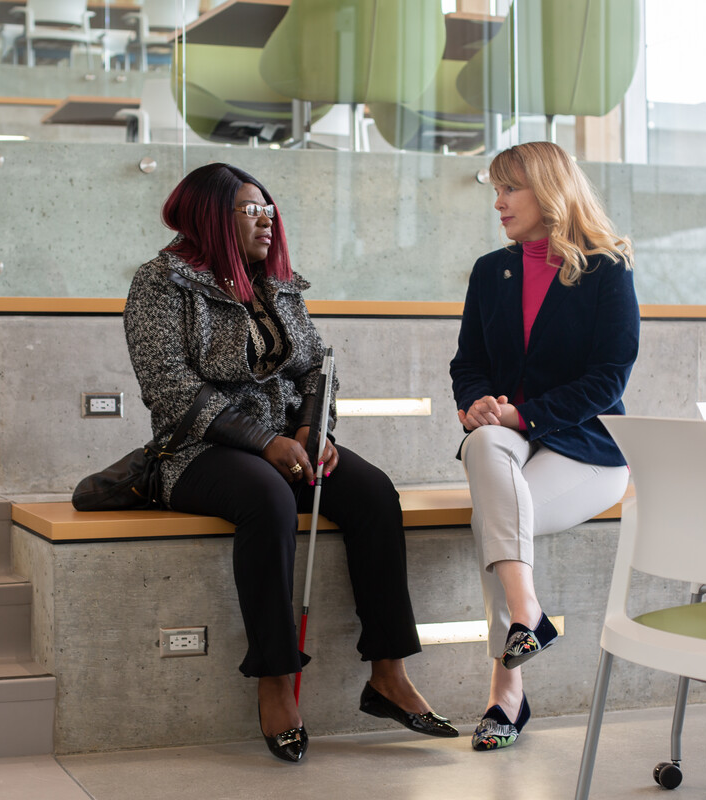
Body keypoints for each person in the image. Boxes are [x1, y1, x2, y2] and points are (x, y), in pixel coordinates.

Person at [124, 162, 458, 764]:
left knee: (374, 493)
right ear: (211, 215)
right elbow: (169, 386)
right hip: (198, 451)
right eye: (251, 210)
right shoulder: (161, 283)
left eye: (269, 210)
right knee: (268, 497)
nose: (267, 221)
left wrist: (312, 427)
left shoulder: (276, 285)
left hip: (287, 443)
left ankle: (388, 673)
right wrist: (264, 442)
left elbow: (316, 367)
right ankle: (275, 679)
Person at [449, 141, 638, 752]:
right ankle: (527, 612)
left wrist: (522, 415)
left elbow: (608, 380)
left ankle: (506, 690)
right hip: (510, 439)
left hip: (588, 447)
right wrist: (478, 403)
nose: (498, 203)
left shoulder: (606, 269)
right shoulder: (490, 271)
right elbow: (468, 363)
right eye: (496, 190)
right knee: (483, 444)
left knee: (494, 516)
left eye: (510, 189)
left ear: (549, 191)